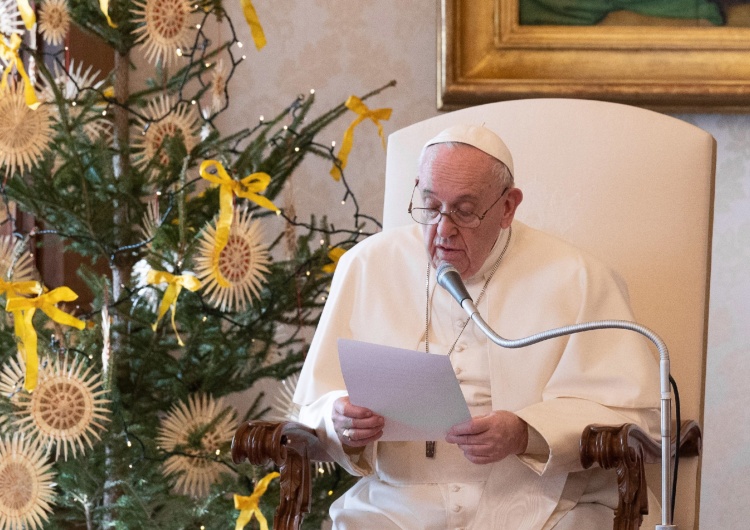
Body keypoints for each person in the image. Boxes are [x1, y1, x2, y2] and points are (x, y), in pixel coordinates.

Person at [293, 124, 661, 529]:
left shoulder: (578, 276)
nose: (443, 229)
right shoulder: (366, 266)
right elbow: (314, 407)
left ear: (507, 207)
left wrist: (527, 433)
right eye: (430, 206)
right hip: (400, 503)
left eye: (465, 211)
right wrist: (340, 420)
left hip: (544, 501)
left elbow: (634, 419)